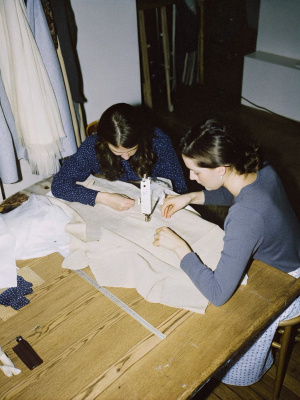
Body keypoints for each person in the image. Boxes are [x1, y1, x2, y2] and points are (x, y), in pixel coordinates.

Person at [153, 119, 300, 385]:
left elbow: (219, 294)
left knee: (206, 317)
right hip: (294, 252)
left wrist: (179, 247)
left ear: (221, 169)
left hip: (289, 285)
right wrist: (191, 197)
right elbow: (234, 194)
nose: (190, 178)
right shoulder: (260, 169)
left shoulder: (246, 217)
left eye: (196, 172)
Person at [51, 103, 187, 210]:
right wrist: (102, 198)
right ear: (104, 142)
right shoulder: (92, 147)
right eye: (118, 152)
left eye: (132, 149)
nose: (126, 157)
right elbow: (59, 185)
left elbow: (179, 187)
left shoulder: (158, 141)